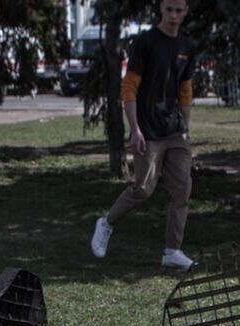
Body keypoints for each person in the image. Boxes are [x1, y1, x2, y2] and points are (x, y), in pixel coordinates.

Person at [89, 0, 199, 271]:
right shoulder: (145, 42)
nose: (173, 15)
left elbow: (185, 91)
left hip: (175, 130)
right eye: (169, 9)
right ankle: (106, 223)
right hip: (148, 130)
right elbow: (129, 87)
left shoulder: (187, 47)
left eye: (179, 10)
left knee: (182, 189)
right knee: (143, 189)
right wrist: (134, 128)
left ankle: (172, 251)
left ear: (186, 11)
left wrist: (185, 129)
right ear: (161, 8)